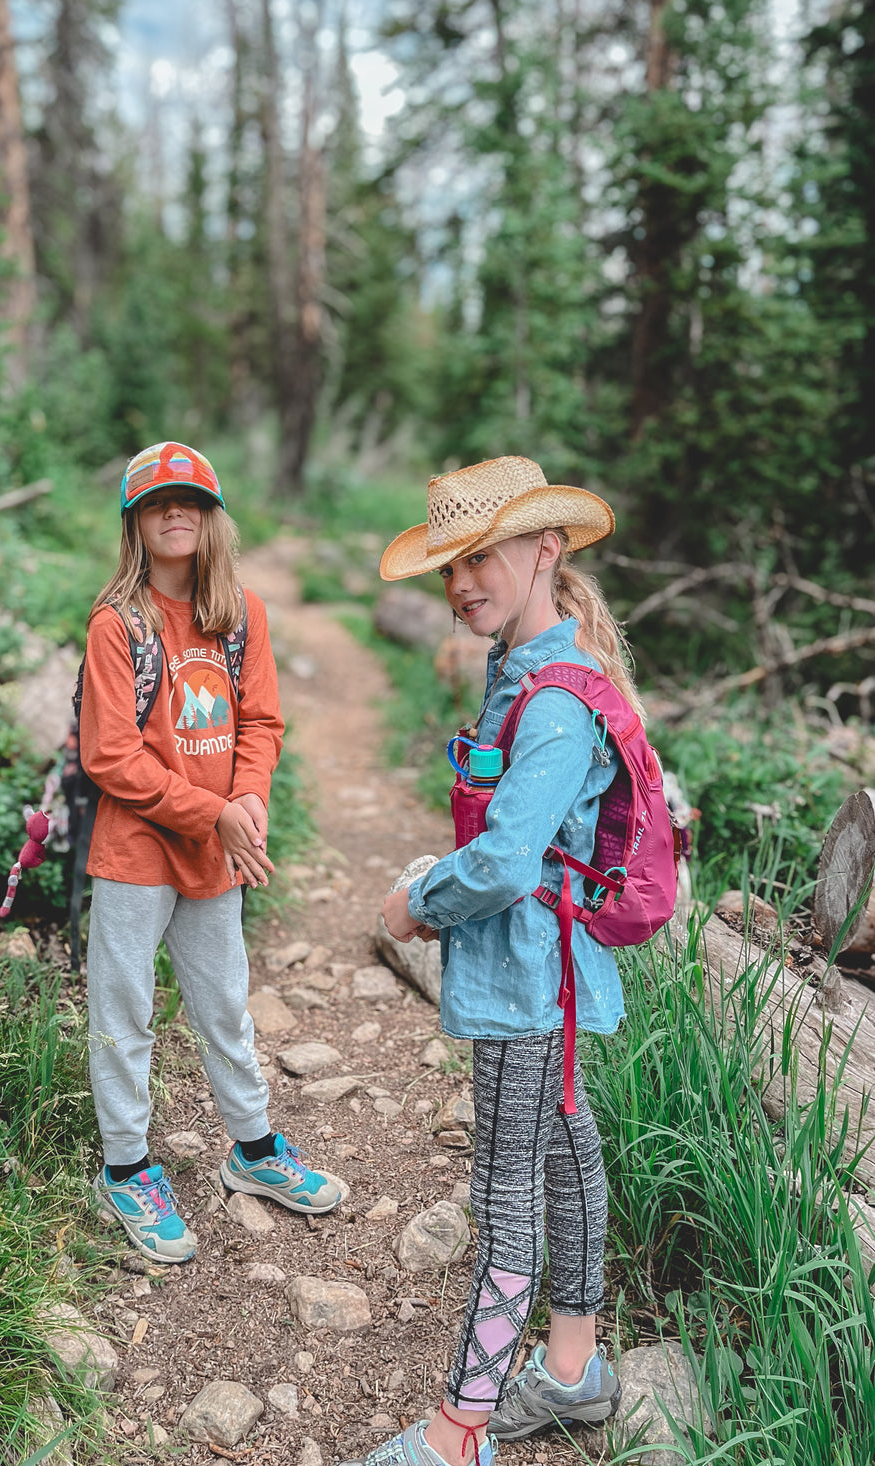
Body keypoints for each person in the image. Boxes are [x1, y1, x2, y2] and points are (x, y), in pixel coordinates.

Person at [349, 455, 632, 1466]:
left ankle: (458, 1428)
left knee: (504, 1191)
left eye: (479, 556)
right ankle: (571, 1371)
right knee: (566, 1151)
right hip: (547, 970)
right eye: (446, 565)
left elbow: (509, 862)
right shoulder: (520, 674)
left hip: (523, 978)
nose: (460, 581)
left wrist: (414, 903)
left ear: (543, 548)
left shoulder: (552, 702)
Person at [81, 440, 341, 1264]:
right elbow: (112, 756)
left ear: (213, 515)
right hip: (137, 850)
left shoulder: (241, 614)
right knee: (123, 1012)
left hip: (218, 847)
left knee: (225, 1002)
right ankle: (127, 1169)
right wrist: (213, 811)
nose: (176, 513)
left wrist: (251, 800)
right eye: (159, 503)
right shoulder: (118, 624)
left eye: (191, 500)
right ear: (136, 521)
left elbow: (261, 722)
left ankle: (254, 1153)